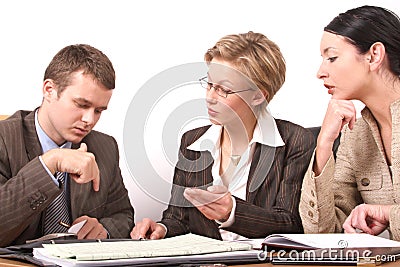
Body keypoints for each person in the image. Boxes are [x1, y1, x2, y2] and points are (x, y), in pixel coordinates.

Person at [131, 31, 315, 241]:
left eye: (223, 90)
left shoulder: (295, 141)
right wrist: (162, 228)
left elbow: (291, 223)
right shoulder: (191, 142)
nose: (210, 97)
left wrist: (232, 212)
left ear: (258, 96)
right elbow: (178, 218)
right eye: (209, 84)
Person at [0, 44, 134, 246]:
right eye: (81, 105)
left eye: (99, 111)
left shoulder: (105, 146)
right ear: (49, 90)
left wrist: (104, 229)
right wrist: (51, 163)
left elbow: (123, 215)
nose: (89, 119)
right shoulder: (4, 138)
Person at [299, 5, 400, 240]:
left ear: (374, 55)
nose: (320, 72)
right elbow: (322, 233)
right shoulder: (356, 132)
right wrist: (324, 143)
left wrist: (389, 214)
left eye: (332, 58)